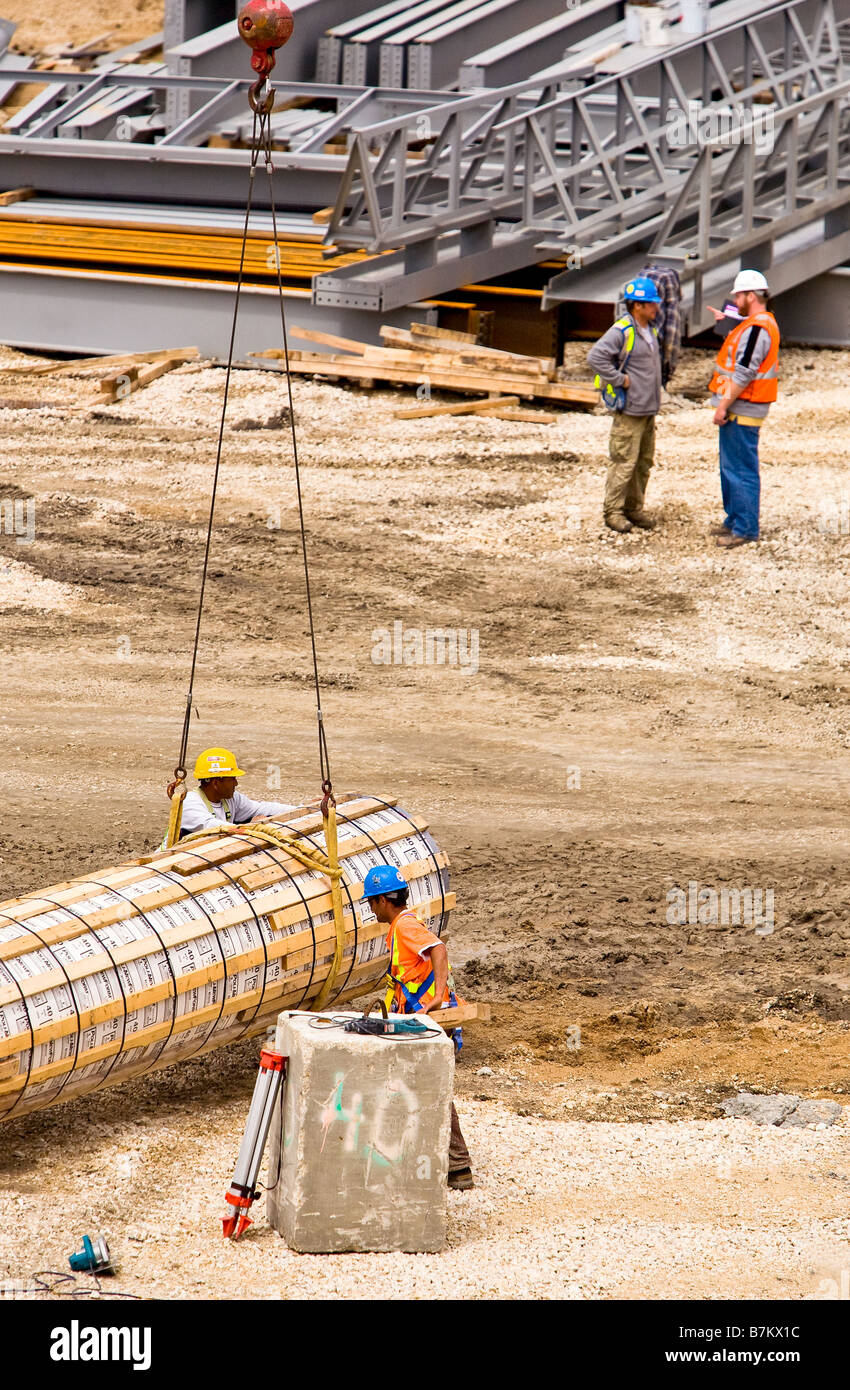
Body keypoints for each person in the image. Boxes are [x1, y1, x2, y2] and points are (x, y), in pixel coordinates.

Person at [360, 863, 474, 1192]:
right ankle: (435, 1160)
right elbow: (407, 976)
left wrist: (438, 995)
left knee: (428, 1086)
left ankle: (457, 1164)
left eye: (371, 902)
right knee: (417, 1083)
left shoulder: (404, 926)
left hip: (433, 1020)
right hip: (419, 1019)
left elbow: (438, 948)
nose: (371, 909)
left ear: (383, 901)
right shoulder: (400, 926)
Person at [707, 269, 780, 549]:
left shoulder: (758, 328)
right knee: (731, 467)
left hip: (744, 407)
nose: (736, 299)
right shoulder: (756, 323)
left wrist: (722, 406)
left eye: (739, 295)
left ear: (751, 295)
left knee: (740, 469)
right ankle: (735, 520)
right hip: (743, 405)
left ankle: (745, 528)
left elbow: (744, 371)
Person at [587, 276, 663, 533]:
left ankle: (634, 508)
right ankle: (613, 512)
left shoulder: (650, 331)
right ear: (637, 306)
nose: (656, 307)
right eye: (651, 304)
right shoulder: (622, 331)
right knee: (623, 461)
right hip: (630, 410)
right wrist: (619, 379)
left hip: (647, 410)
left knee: (643, 462)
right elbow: (596, 356)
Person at [178, 747, 297, 837]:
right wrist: (250, 828)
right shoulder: (190, 802)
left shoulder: (231, 799)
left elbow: (261, 808)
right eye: (232, 778)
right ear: (215, 783)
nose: (236, 783)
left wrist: (302, 809)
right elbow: (212, 826)